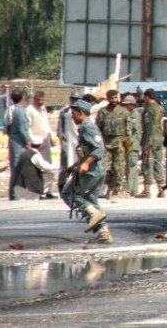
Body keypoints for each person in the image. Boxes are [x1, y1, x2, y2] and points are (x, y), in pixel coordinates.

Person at [61, 99, 113, 244]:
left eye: (74, 114)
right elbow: (86, 151)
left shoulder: (89, 127)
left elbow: (99, 149)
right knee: (90, 200)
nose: (72, 116)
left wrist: (86, 164)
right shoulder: (84, 127)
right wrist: (74, 165)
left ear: (82, 113)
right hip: (95, 169)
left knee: (69, 193)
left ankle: (94, 214)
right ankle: (103, 233)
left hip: (92, 171)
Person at [96, 89, 131, 202]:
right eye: (111, 98)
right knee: (106, 168)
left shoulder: (124, 111)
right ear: (107, 98)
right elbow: (98, 128)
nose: (114, 100)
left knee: (118, 168)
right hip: (106, 142)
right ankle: (108, 187)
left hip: (120, 142)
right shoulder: (103, 112)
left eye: (115, 98)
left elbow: (129, 129)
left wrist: (127, 144)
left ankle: (115, 190)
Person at [26, 90, 57, 199]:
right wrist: (32, 140)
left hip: (45, 140)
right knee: (38, 167)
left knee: (48, 167)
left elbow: (46, 124)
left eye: (42, 100)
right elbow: (28, 127)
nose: (41, 102)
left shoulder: (43, 109)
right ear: (34, 99)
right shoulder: (30, 110)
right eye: (39, 100)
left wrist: (51, 136)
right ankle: (40, 192)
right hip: (36, 142)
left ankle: (47, 191)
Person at [137, 88, 166, 198]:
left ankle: (146, 190)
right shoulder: (160, 108)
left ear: (147, 97)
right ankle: (161, 189)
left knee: (147, 164)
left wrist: (146, 144)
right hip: (158, 140)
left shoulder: (149, 110)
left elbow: (149, 127)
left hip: (150, 140)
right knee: (158, 163)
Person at [12, 135, 60, 200]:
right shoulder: (34, 155)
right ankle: (44, 194)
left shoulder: (24, 153)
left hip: (18, 187)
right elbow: (45, 167)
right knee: (50, 173)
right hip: (29, 189)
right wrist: (59, 167)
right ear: (41, 146)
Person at [7, 88, 31, 201]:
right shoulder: (20, 111)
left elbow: (7, 126)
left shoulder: (12, 110)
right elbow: (23, 128)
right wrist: (27, 141)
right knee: (17, 167)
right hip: (18, 143)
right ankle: (14, 192)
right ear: (22, 98)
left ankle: (15, 192)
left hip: (14, 140)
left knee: (16, 167)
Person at [121, 94, 142, 196]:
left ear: (131, 105)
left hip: (132, 145)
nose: (125, 107)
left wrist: (130, 144)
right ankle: (134, 189)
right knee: (131, 167)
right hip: (128, 145)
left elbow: (136, 132)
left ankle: (128, 189)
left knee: (131, 166)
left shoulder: (135, 115)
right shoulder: (127, 114)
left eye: (127, 105)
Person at [57, 92, 82, 169]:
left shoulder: (82, 112)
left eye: (76, 99)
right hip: (67, 140)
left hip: (78, 140)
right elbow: (60, 127)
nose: (74, 101)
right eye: (73, 99)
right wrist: (61, 138)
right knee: (66, 161)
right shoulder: (65, 112)